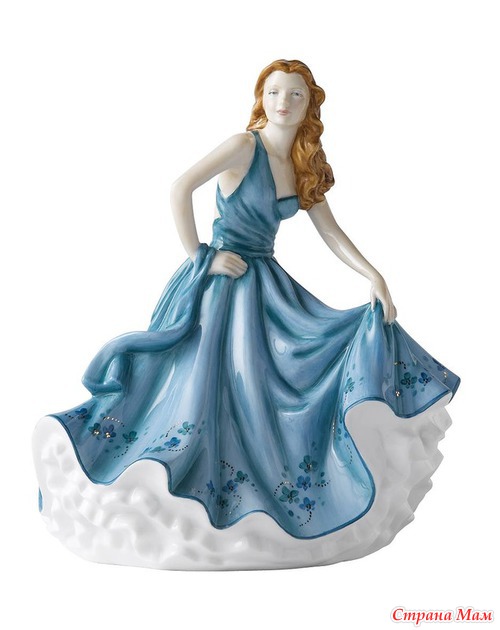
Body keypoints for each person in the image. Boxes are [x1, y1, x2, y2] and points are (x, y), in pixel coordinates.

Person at [33, 59, 459, 570]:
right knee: (208, 386)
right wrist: (203, 257)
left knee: (310, 356)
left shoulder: (301, 162)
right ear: (261, 97)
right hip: (221, 286)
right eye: (274, 91)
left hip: (267, 284)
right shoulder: (243, 146)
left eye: (295, 94)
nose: (283, 102)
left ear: (310, 104)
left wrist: (375, 276)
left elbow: (330, 231)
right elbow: (179, 188)